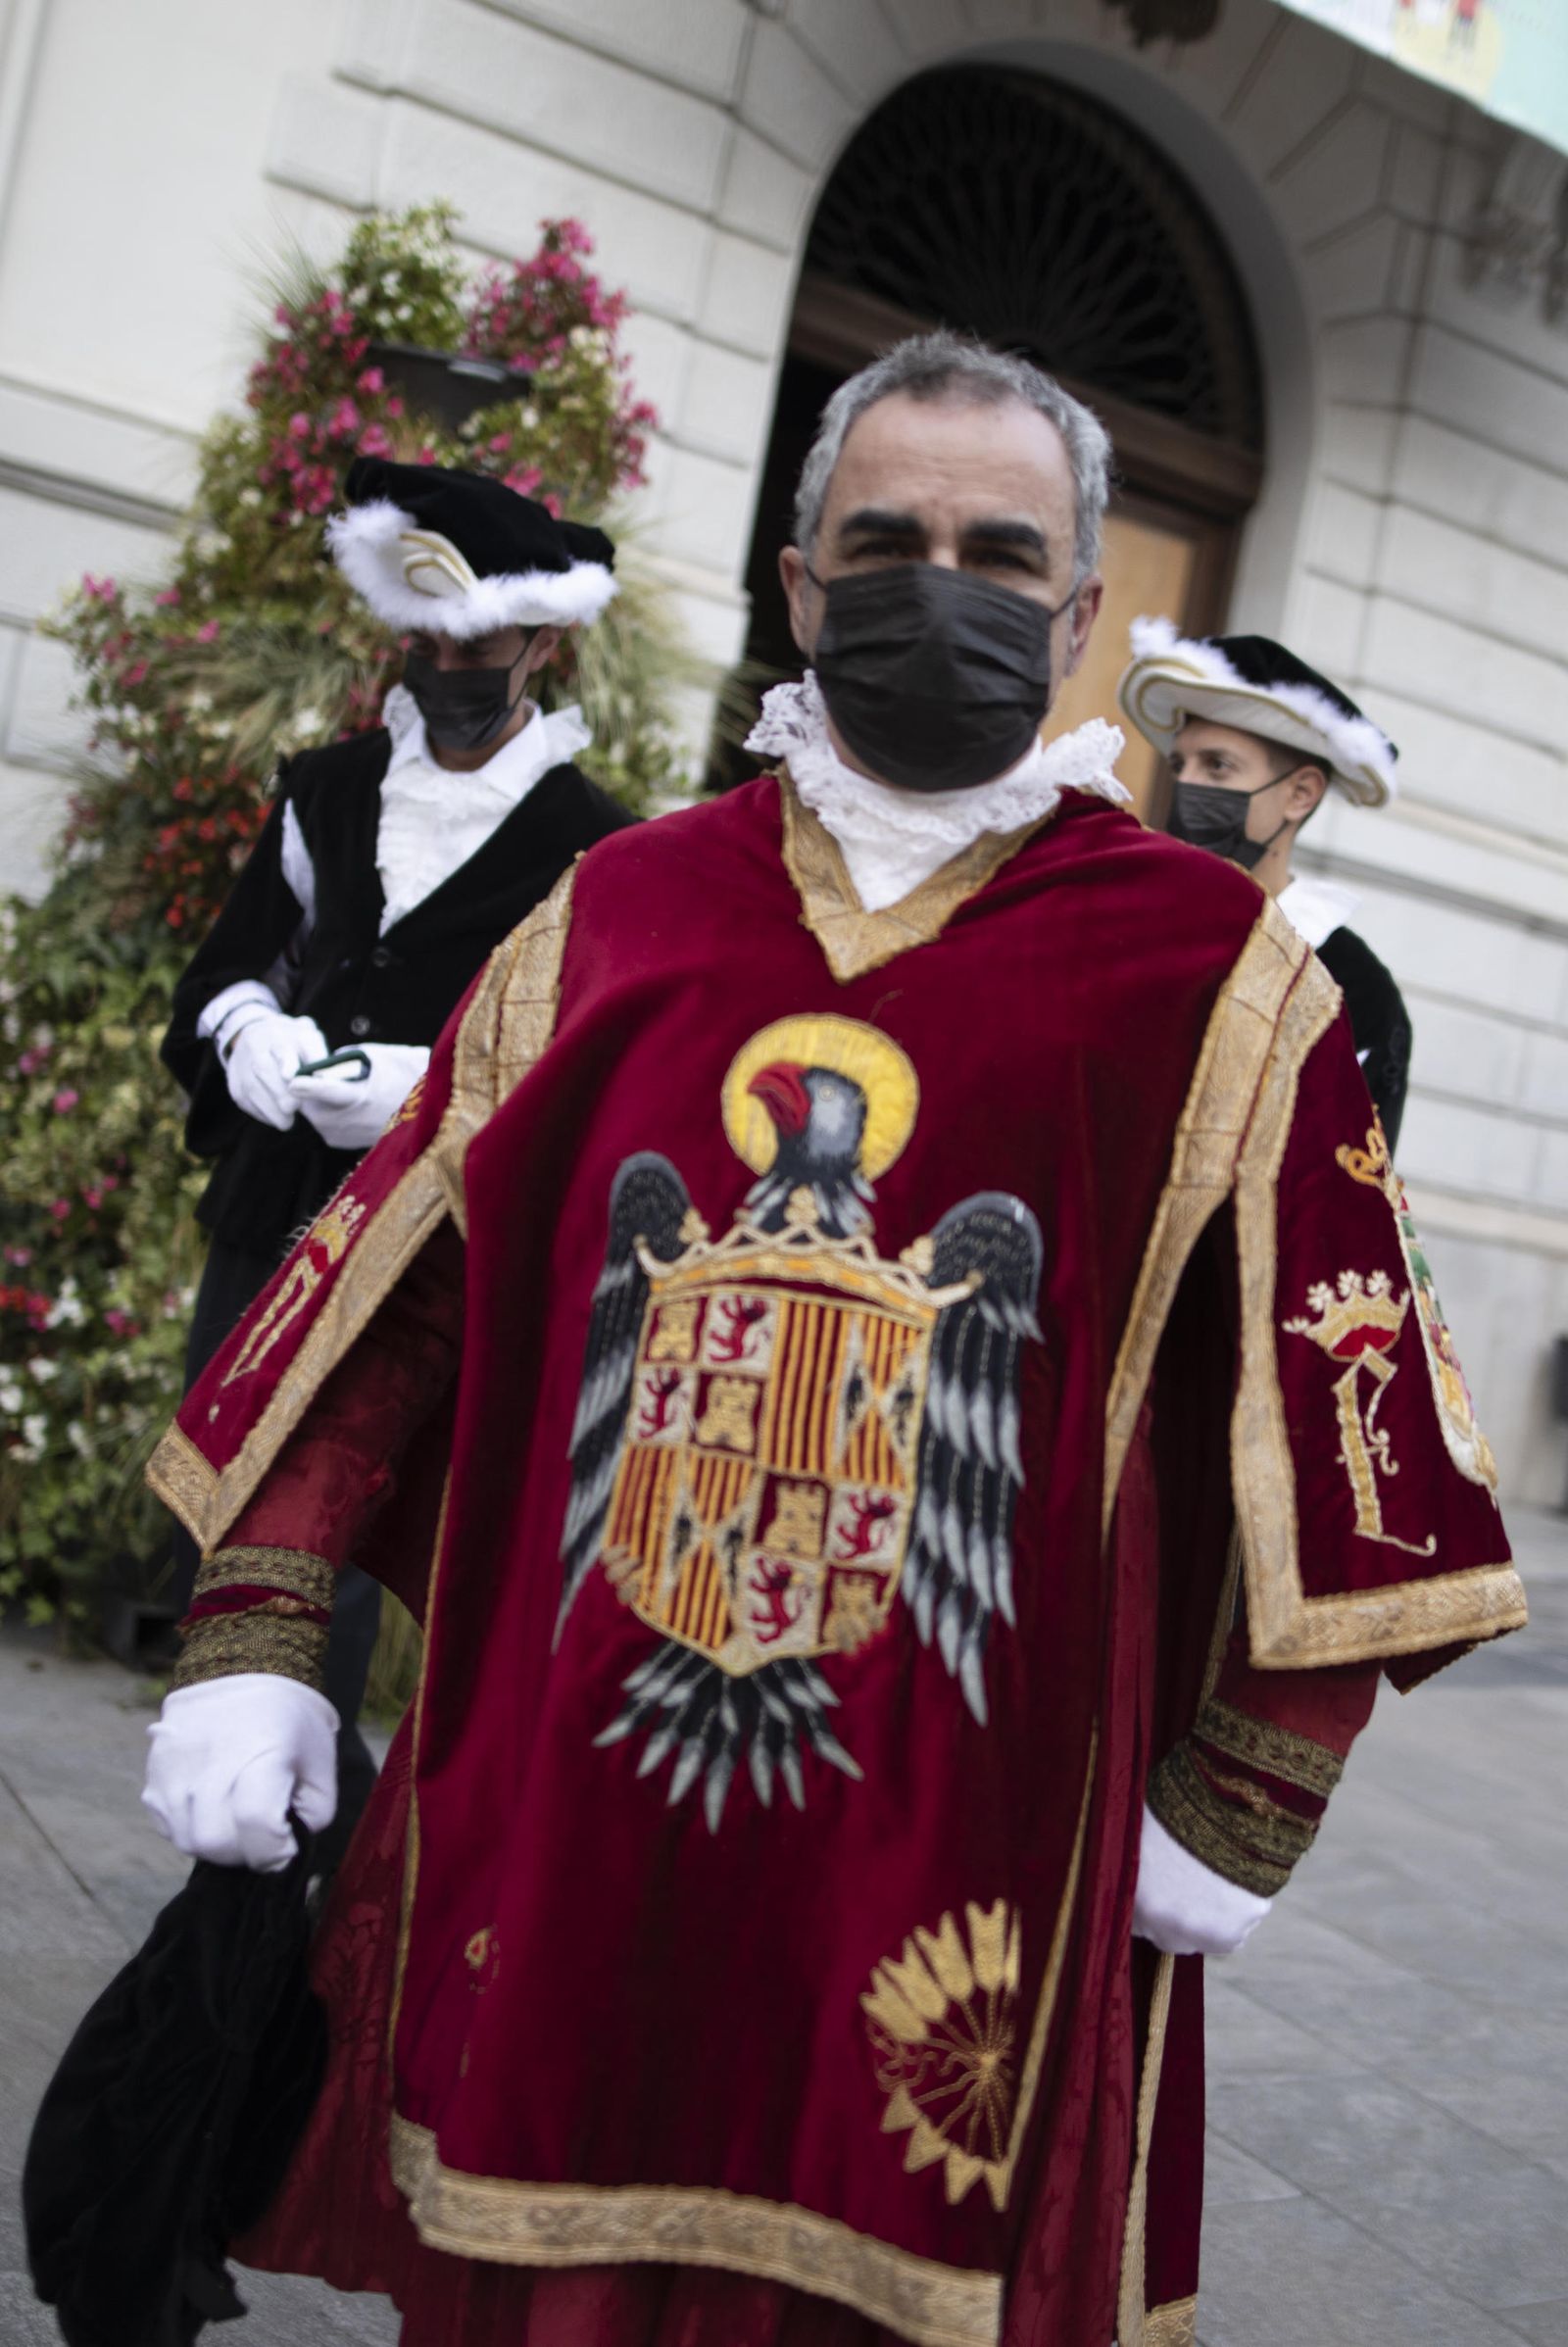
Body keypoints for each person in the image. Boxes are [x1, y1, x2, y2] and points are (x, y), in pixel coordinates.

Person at [137, 335, 1522, 2347]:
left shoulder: (1215, 977)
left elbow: (1346, 1390)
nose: (936, 588)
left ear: (1074, 615)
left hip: (973, 1850)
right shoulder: (616, 912)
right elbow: (398, 1286)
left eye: (997, 554)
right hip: (579, 1816)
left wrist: (1250, 1776)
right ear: (801, 588)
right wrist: (263, 1626)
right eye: (883, 543)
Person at [159, 457, 633, 1869]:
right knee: (220, 1523)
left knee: (337, 1557)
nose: (445, 668)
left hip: (426, 1245)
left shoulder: (596, 846)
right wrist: (249, 1032)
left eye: (476, 645)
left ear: (541, 644)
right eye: (423, 638)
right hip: (272, 1214)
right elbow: (225, 972)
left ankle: (304, 1885)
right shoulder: (327, 789)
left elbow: (588, 1067)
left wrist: (436, 1092)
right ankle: (242, 1863)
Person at [1118, 617, 1413, 1149]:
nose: (1186, 785)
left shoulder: (1351, 986)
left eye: (1217, 766)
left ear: (1300, 794)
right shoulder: (1122, 921)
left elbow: (1348, 1177)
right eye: (1180, 764)